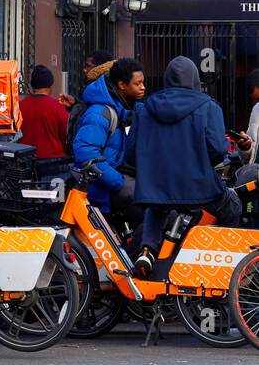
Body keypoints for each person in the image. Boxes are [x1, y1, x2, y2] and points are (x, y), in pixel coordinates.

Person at [126, 56, 240, 277]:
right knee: (233, 205)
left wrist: (155, 168)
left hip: (159, 186)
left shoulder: (146, 108)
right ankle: (223, 260)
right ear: (196, 79)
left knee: (156, 208)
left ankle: (148, 250)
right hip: (200, 186)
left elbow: (131, 152)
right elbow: (218, 149)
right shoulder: (208, 106)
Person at [71, 56, 145, 224]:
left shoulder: (122, 110)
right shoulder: (100, 113)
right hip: (101, 192)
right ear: (122, 85)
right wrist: (118, 183)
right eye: (137, 83)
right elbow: (85, 152)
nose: (143, 88)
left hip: (110, 187)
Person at [19, 64, 69, 159]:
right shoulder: (58, 106)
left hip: (26, 158)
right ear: (50, 84)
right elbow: (66, 133)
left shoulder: (21, 105)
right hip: (53, 159)